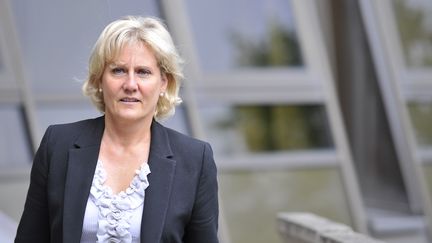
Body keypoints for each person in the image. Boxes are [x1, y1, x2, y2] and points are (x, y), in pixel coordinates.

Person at [15, 16, 219, 243]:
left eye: (143, 72)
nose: (130, 84)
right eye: (119, 70)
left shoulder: (195, 160)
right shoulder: (58, 144)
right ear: (99, 79)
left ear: (164, 82)